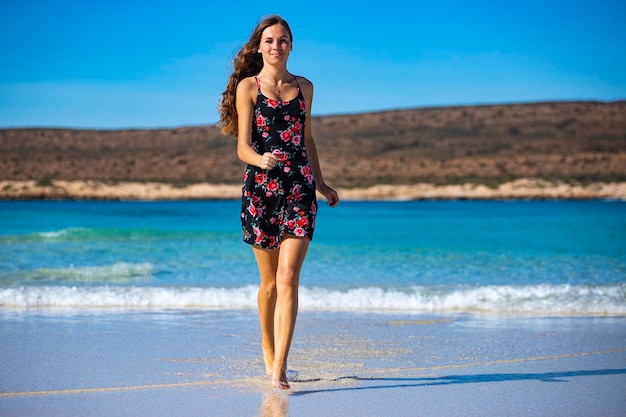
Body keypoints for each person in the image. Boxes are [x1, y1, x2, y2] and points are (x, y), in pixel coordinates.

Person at [218, 15, 339, 390]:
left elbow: (307, 139)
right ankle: (267, 348)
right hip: (260, 192)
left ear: (291, 45)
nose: (276, 46)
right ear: (259, 47)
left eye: (283, 40)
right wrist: (260, 159)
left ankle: (280, 367)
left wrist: (320, 182)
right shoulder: (248, 88)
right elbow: (242, 146)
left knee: (289, 277)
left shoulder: (305, 87)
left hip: (299, 189)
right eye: (269, 40)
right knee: (269, 283)